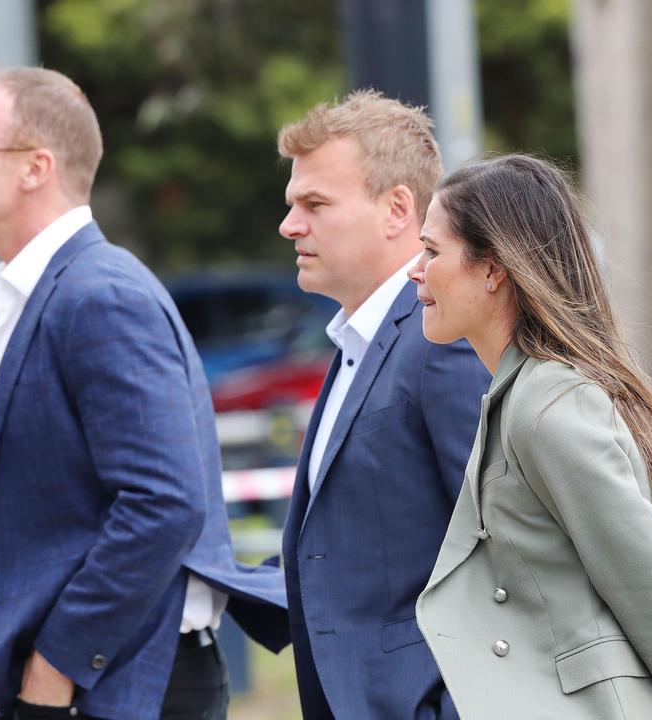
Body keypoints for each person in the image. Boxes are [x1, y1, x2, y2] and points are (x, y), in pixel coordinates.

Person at [0, 65, 287, 720]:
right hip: (105, 681)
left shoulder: (100, 296)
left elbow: (165, 502)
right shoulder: (46, 294)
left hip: (127, 685)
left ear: (35, 167)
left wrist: (57, 666)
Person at [410, 154, 652, 720]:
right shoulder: (523, 393)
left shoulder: (550, 404)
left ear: (493, 269)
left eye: (433, 251)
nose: (416, 269)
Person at [247, 90, 490, 718]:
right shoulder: (361, 338)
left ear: (397, 209)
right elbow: (355, 544)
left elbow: (508, 545)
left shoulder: (442, 338)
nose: (289, 225)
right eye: (291, 205)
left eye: (315, 204)